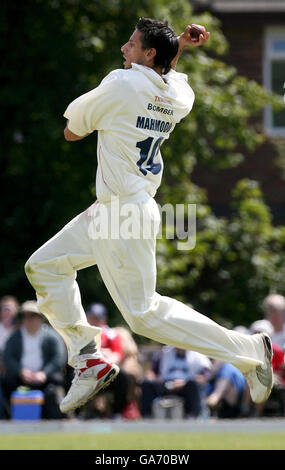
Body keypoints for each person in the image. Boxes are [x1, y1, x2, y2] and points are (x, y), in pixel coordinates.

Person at [24, 17, 273, 415]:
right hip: (117, 208)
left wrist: (172, 50)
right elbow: (162, 77)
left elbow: (72, 130)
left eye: (132, 43)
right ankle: (88, 357)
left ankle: (248, 351)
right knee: (45, 266)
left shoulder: (121, 83)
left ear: (149, 53)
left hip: (123, 209)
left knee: (143, 315)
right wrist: (179, 47)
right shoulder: (179, 95)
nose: (124, 49)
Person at [2, 300, 66, 419]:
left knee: (53, 392)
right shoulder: (15, 336)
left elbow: (59, 357)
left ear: (40, 318)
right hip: (20, 379)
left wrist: (44, 373)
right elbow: (7, 357)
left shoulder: (51, 336)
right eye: (26, 316)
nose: (29, 320)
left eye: (33, 316)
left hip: (46, 379)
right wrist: (21, 371)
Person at [141, 345, 211, 418]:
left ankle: (192, 416)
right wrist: (153, 377)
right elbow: (152, 372)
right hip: (165, 384)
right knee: (147, 384)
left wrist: (184, 382)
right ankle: (147, 416)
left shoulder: (198, 356)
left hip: (186, 385)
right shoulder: (164, 352)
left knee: (193, 385)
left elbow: (204, 377)